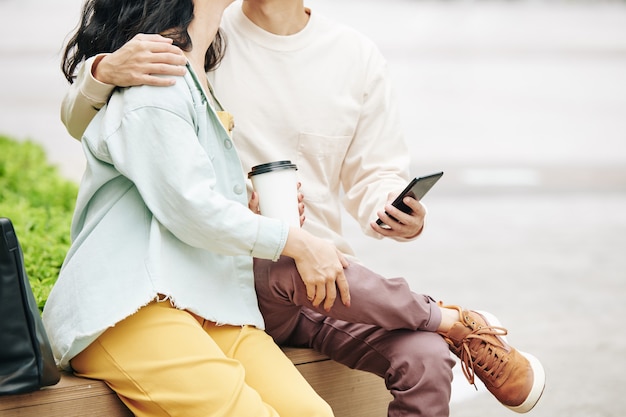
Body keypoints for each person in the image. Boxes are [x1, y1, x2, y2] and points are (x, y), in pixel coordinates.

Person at [59, 1, 546, 415]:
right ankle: (447, 317)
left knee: (423, 359)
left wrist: (392, 208)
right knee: (291, 263)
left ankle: (442, 326)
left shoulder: (348, 55)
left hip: (301, 278)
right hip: (245, 266)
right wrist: (100, 69)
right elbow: (132, 137)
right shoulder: (183, 51)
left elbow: (371, 172)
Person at [43, 0, 353, 415]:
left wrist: (247, 207)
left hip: (209, 300)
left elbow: (188, 193)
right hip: (130, 307)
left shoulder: (196, 76)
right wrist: (294, 241)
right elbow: (190, 207)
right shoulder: (157, 78)